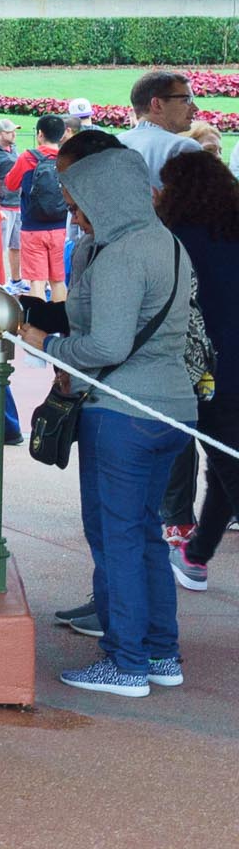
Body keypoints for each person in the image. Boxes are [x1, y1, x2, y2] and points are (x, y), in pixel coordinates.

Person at [21, 143, 195, 698]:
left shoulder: (121, 254)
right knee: (145, 537)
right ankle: (160, 653)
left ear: (109, 197)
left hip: (123, 415)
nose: (73, 214)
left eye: (80, 203)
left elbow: (105, 345)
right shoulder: (164, 242)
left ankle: (124, 663)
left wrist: (42, 340)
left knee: (116, 538)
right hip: (170, 410)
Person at [155, 151, 239, 592]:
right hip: (227, 365)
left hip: (209, 369)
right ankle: (197, 554)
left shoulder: (177, 239)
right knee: (225, 463)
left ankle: (196, 555)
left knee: (228, 465)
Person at [1, 113, 72, 303]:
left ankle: (39, 326)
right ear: (62, 134)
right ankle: (59, 327)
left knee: (37, 282)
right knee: (58, 281)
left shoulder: (27, 158)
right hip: (60, 227)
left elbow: (10, 184)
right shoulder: (67, 159)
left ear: (40, 134)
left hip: (32, 228)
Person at [122, 69, 204, 186]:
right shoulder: (182, 148)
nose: (195, 108)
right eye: (186, 100)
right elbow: (198, 202)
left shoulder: (115, 143)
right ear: (157, 104)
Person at [0, 119, 23, 283]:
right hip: (3, 207)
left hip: (17, 204)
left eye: (14, 130)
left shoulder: (13, 150)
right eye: (10, 131)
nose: (14, 134)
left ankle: (16, 280)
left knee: (17, 245)